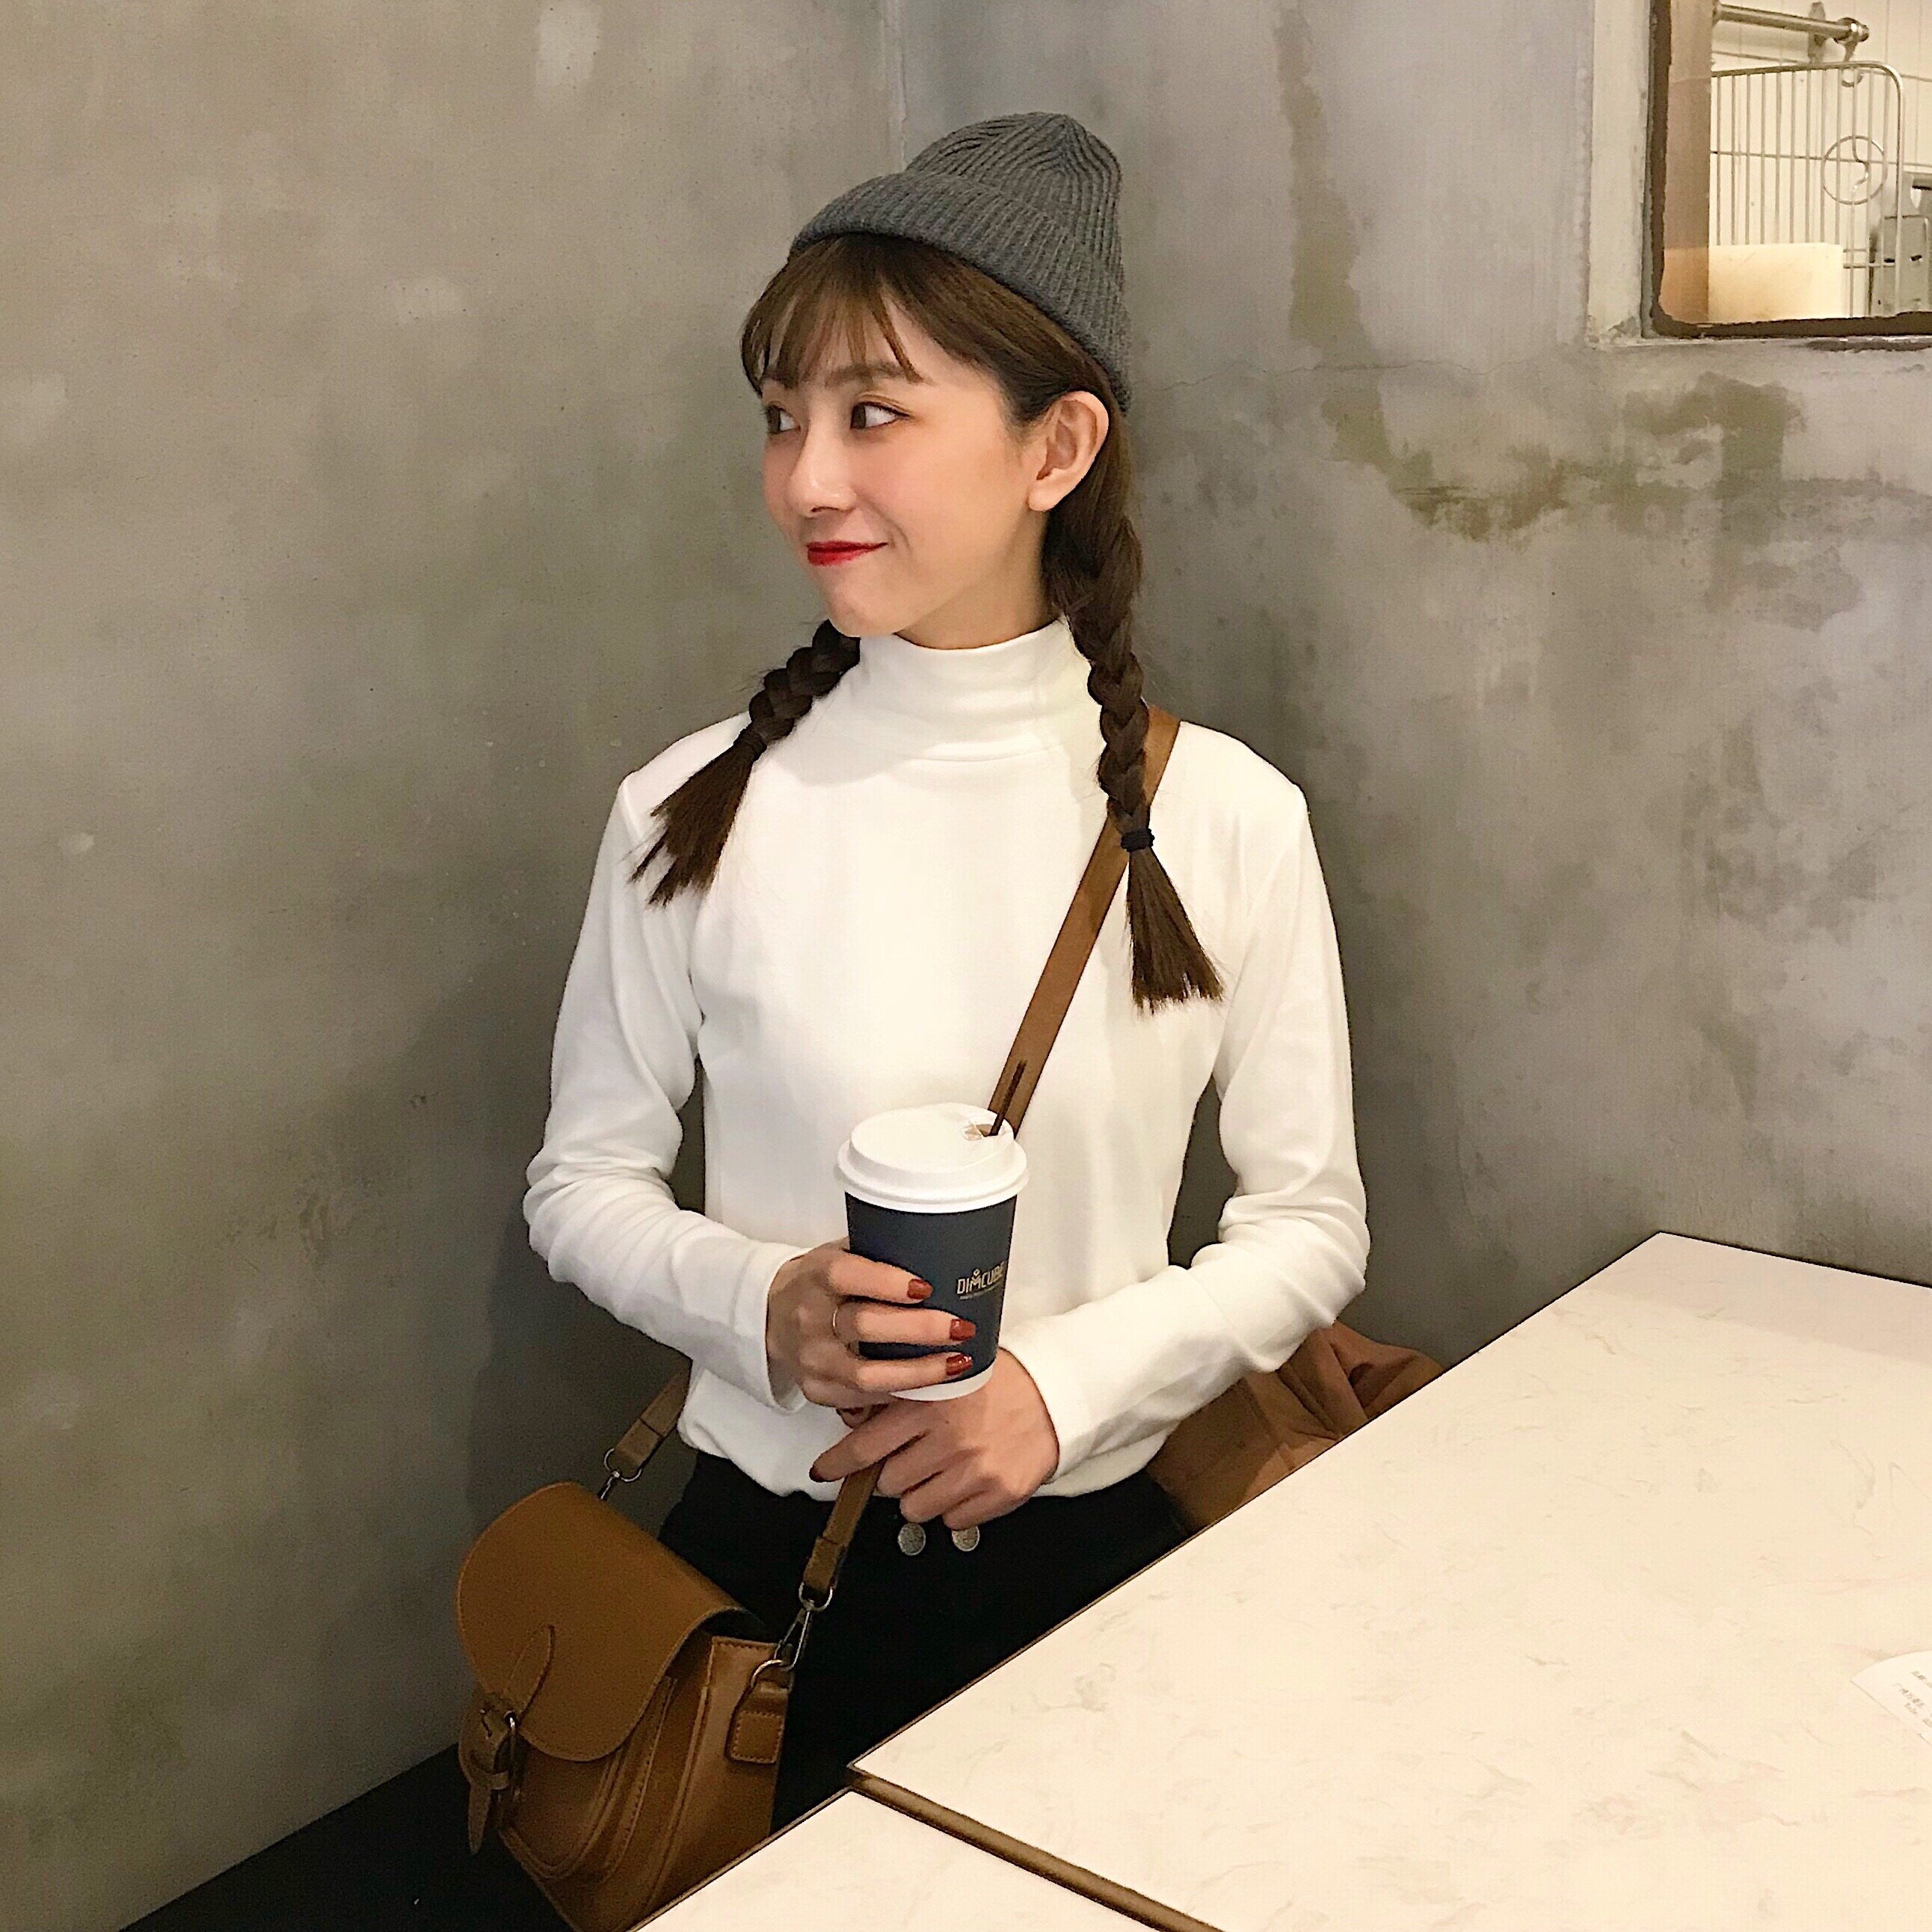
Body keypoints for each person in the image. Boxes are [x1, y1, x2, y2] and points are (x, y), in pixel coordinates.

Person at [522, 110, 1371, 1832]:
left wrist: (1059, 1389)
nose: (804, 480)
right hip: (761, 1591)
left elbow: (1308, 1225)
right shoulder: (687, 807)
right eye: (782, 416)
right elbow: (579, 1183)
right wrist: (757, 1304)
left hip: (1106, 1573)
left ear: (1057, 443)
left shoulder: (1225, 814)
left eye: (872, 413)